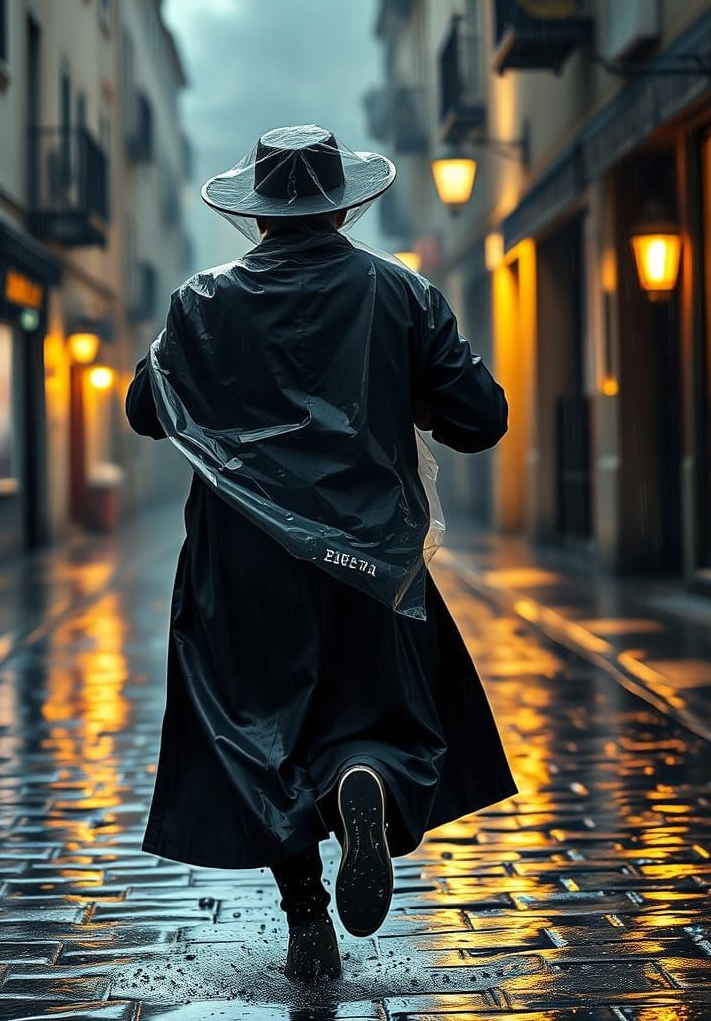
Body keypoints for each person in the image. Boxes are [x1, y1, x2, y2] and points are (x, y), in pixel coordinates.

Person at [125, 125, 516, 983]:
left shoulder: (202, 302)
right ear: (343, 204)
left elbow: (146, 411)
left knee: (259, 732)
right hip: (372, 559)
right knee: (372, 710)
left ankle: (307, 919)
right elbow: (480, 418)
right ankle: (362, 781)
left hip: (239, 566)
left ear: (258, 213)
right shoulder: (400, 294)